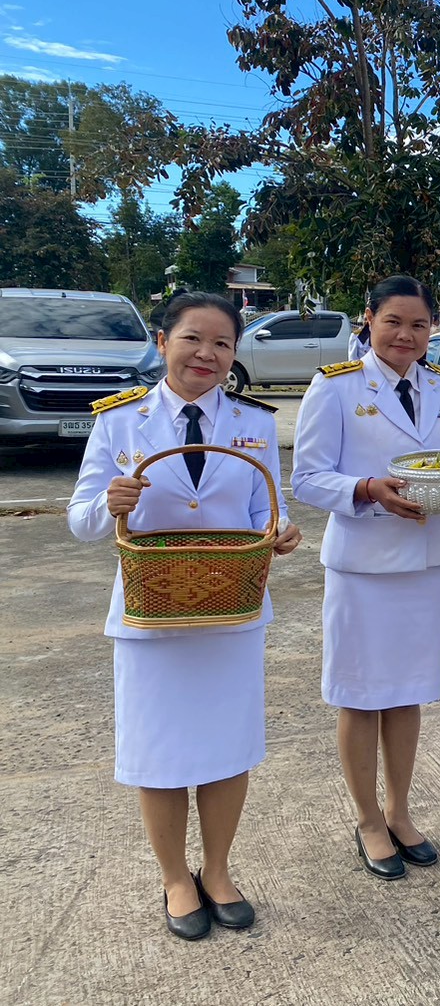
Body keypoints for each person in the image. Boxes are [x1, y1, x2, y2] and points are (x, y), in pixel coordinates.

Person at [67, 292, 302, 940]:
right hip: (152, 618)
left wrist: (280, 530)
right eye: (193, 338)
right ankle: (175, 878)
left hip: (232, 611)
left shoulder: (253, 422)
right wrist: (110, 503)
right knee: (160, 751)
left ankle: (218, 871)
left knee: (228, 748)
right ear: (162, 340)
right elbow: (81, 519)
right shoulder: (120, 421)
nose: (207, 354)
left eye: (222, 343)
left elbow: (265, 508)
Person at [291, 275, 440, 880]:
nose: (405, 335)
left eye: (419, 325)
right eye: (393, 321)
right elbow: (307, 478)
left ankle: (400, 810)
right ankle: (368, 819)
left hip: (428, 561)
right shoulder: (335, 386)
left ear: (432, 329)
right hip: (364, 565)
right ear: (368, 320)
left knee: (407, 692)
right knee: (361, 695)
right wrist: (367, 489)